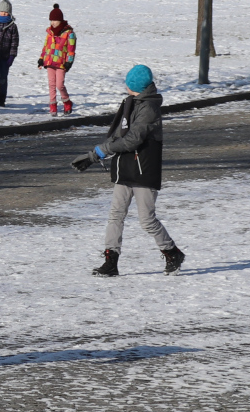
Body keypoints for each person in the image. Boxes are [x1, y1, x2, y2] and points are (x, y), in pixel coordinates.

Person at [71, 64, 184, 277]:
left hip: (144, 170)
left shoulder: (149, 108)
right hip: (125, 167)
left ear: (136, 86)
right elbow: (116, 135)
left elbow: (132, 140)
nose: (125, 85)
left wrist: (101, 151)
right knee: (116, 215)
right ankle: (110, 261)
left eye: (128, 82)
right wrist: (93, 155)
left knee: (147, 220)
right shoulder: (131, 103)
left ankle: (172, 252)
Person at [37, 4, 76, 115]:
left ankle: (67, 101)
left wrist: (69, 62)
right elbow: (46, 47)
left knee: (60, 85)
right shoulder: (50, 33)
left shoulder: (69, 33)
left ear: (60, 20)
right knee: (51, 85)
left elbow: (71, 50)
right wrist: (41, 59)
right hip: (49, 62)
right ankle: (53, 105)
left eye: (55, 20)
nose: (52, 23)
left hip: (61, 63)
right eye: (51, 20)